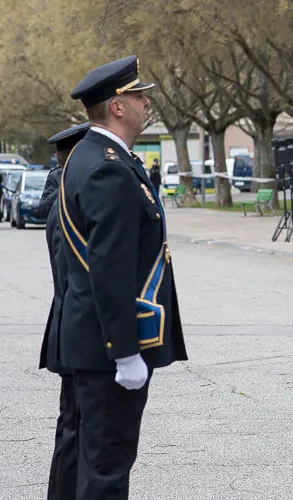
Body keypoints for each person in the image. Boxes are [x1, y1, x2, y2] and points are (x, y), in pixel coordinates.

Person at [59, 55, 188, 499]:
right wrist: (125, 352)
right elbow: (109, 267)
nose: (146, 103)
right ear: (117, 106)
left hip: (90, 339)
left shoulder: (91, 156)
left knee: (86, 463)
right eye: (138, 96)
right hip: (106, 349)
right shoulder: (108, 167)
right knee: (106, 472)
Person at [37, 121, 90, 500]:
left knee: (73, 428)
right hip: (78, 331)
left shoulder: (70, 194)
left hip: (73, 328)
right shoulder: (67, 199)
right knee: (75, 430)